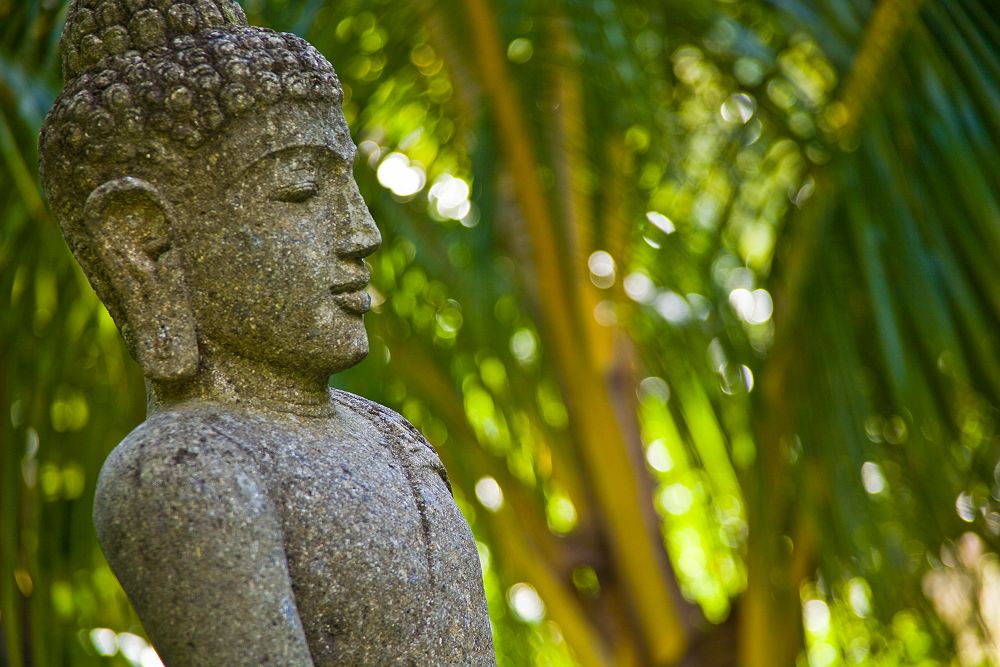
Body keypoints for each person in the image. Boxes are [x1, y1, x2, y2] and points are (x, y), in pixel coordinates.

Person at [39, 1, 494, 664]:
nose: (362, 232)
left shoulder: (391, 435)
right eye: (302, 190)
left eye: (350, 185)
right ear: (146, 242)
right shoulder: (182, 468)